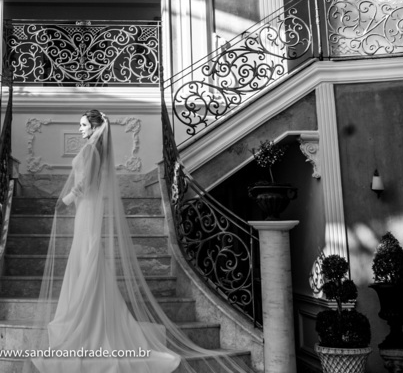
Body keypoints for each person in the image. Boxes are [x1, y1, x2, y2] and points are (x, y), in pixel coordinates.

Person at [30, 109, 251, 373]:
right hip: (86, 208)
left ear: (94, 127)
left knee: (87, 254)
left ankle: (85, 313)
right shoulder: (96, 150)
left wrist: (65, 200)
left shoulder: (91, 151)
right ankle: (89, 308)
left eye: (83, 125)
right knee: (87, 254)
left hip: (85, 207)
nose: (80, 129)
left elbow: (86, 183)